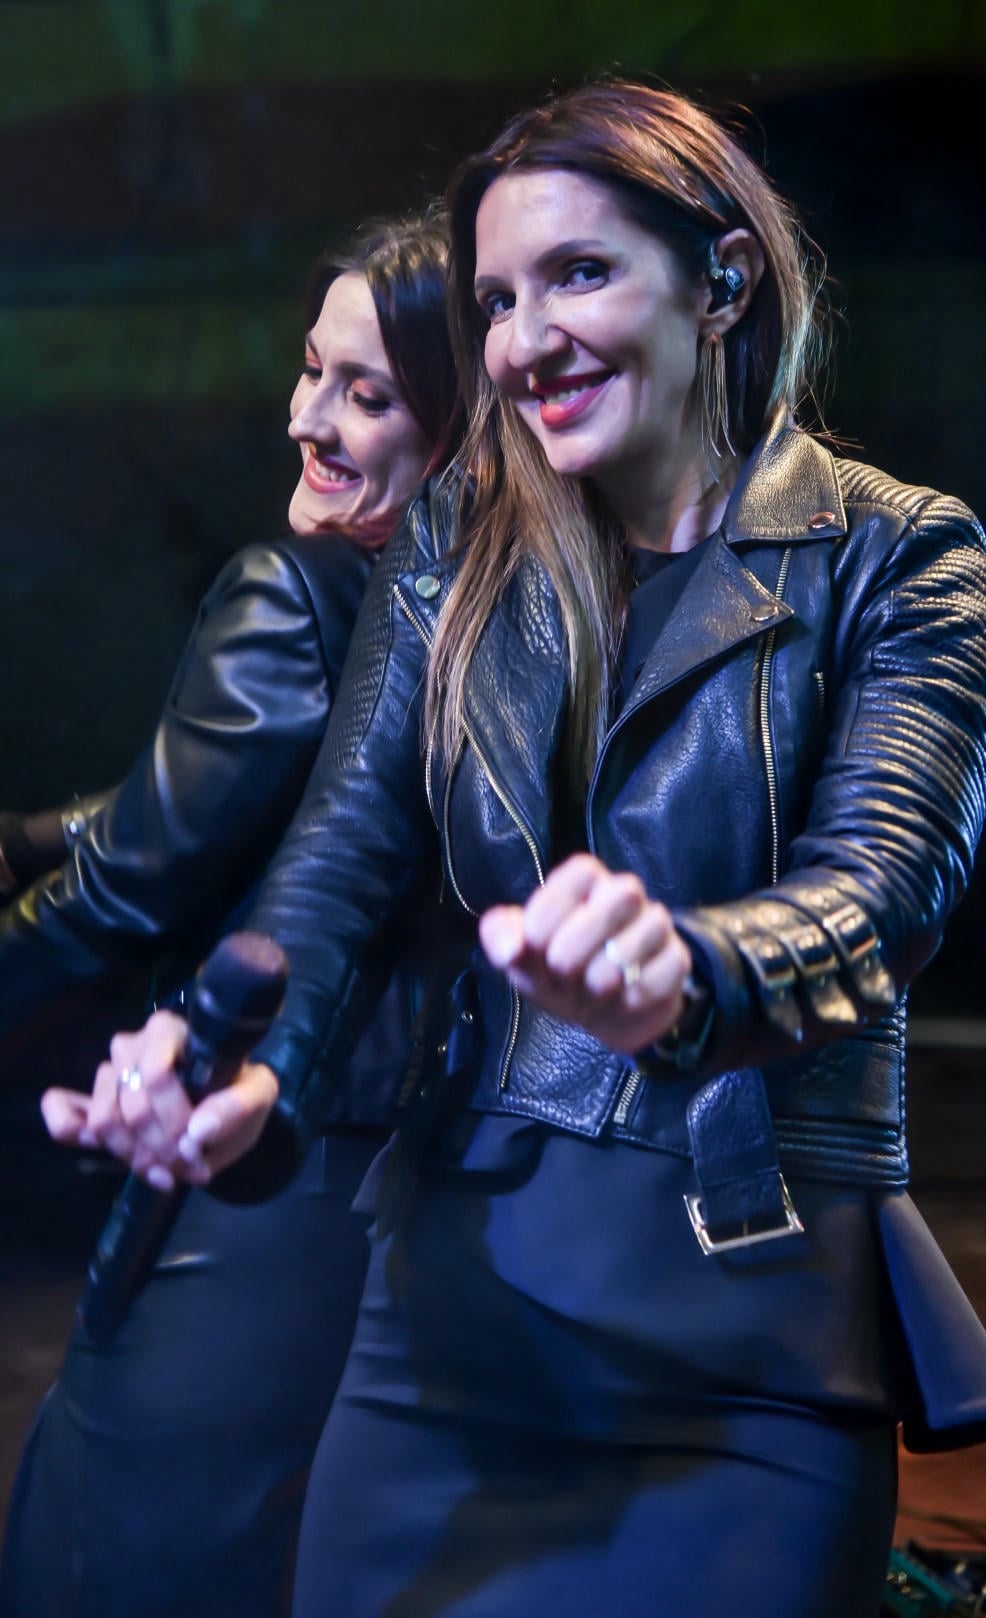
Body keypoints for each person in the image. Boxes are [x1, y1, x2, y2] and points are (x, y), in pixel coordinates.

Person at [52, 82, 986, 1617]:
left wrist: (689, 968)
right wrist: (248, 1068)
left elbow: (881, 894)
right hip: (448, 1325)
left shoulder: (900, 553)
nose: (522, 340)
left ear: (721, 282)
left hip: (747, 1343)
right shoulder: (458, 539)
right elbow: (339, 857)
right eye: (499, 299)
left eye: (577, 274)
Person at [0, 209, 461, 1618]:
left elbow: (133, 880)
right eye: (312, 371)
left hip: (265, 1158)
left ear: (466, 421)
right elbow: (236, 799)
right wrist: (35, 834)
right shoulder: (492, 624)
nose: (306, 419)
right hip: (415, 1174)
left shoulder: (296, 589)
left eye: (367, 395)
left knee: (112, 1540)